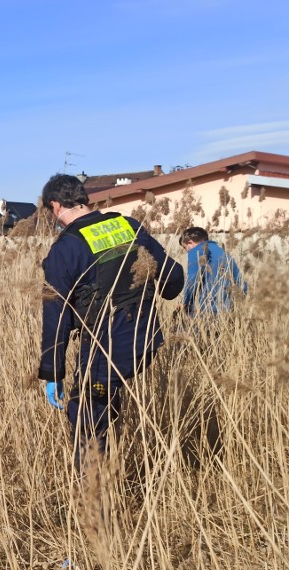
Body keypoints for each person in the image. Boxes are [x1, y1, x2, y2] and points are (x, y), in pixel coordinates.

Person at [38, 174, 185, 469]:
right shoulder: (127, 226)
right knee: (104, 402)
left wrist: (52, 372)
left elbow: (57, 315)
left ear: (55, 205)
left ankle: (93, 501)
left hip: (105, 349)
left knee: (86, 419)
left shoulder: (65, 249)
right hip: (145, 339)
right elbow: (173, 277)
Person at [179, 226, 247, 317]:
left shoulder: (196, 251)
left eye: (185, 248)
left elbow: (192, 279)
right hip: (229, 310)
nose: (187, 252)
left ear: (190, 243)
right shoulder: (225, 253)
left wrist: (186, 303)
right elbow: (242, 283)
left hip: (208, 310)